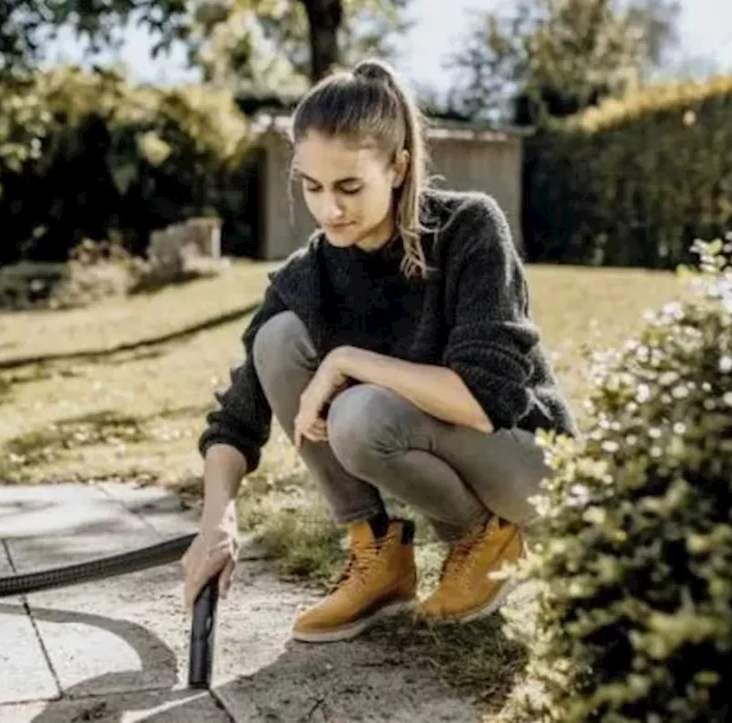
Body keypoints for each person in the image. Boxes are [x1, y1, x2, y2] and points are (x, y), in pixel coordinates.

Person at [179, 57, 577, 644]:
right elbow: (238, 417)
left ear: (398, 167)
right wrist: (217, 520)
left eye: (348, 187)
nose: (328, 209)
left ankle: (484, 540)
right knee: (278, 339)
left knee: (358, 413)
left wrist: (346, 362)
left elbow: (484, 401)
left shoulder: (469, 227)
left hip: (527, 463)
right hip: (432, 438)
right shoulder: (310, 271)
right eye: (311, 187)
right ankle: (379, 552)